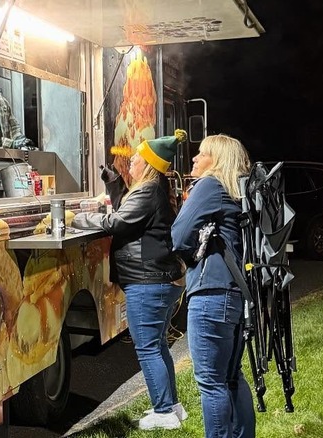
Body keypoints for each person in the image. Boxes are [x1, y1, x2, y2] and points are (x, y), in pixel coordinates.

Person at [73, 130, 188, 430]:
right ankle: (172, 407)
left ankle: (164, 412)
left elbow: (120, 222)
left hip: (149, 282)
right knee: (158, 344)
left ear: (148, 165)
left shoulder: (148, 190)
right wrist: (114, 184)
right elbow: (129, 213)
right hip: (160, 279)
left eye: (137, 159)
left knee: (148, 347)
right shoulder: (154, 189)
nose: (132, 163)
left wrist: (80, 219)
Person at [171, 134, 256, 438]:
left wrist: (192, 254)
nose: (194, 159)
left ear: (216, 160)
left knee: (211, 381)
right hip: (236, 295)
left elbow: (179, 234)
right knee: (232, 377)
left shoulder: (210, 185)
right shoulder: (236, 191)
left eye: (201, 154)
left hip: (210, 295)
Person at [0, 63, 32, 149]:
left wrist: (21, 139)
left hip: (3, 157)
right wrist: (12, 144)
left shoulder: (3, 102)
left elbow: (14, 127)